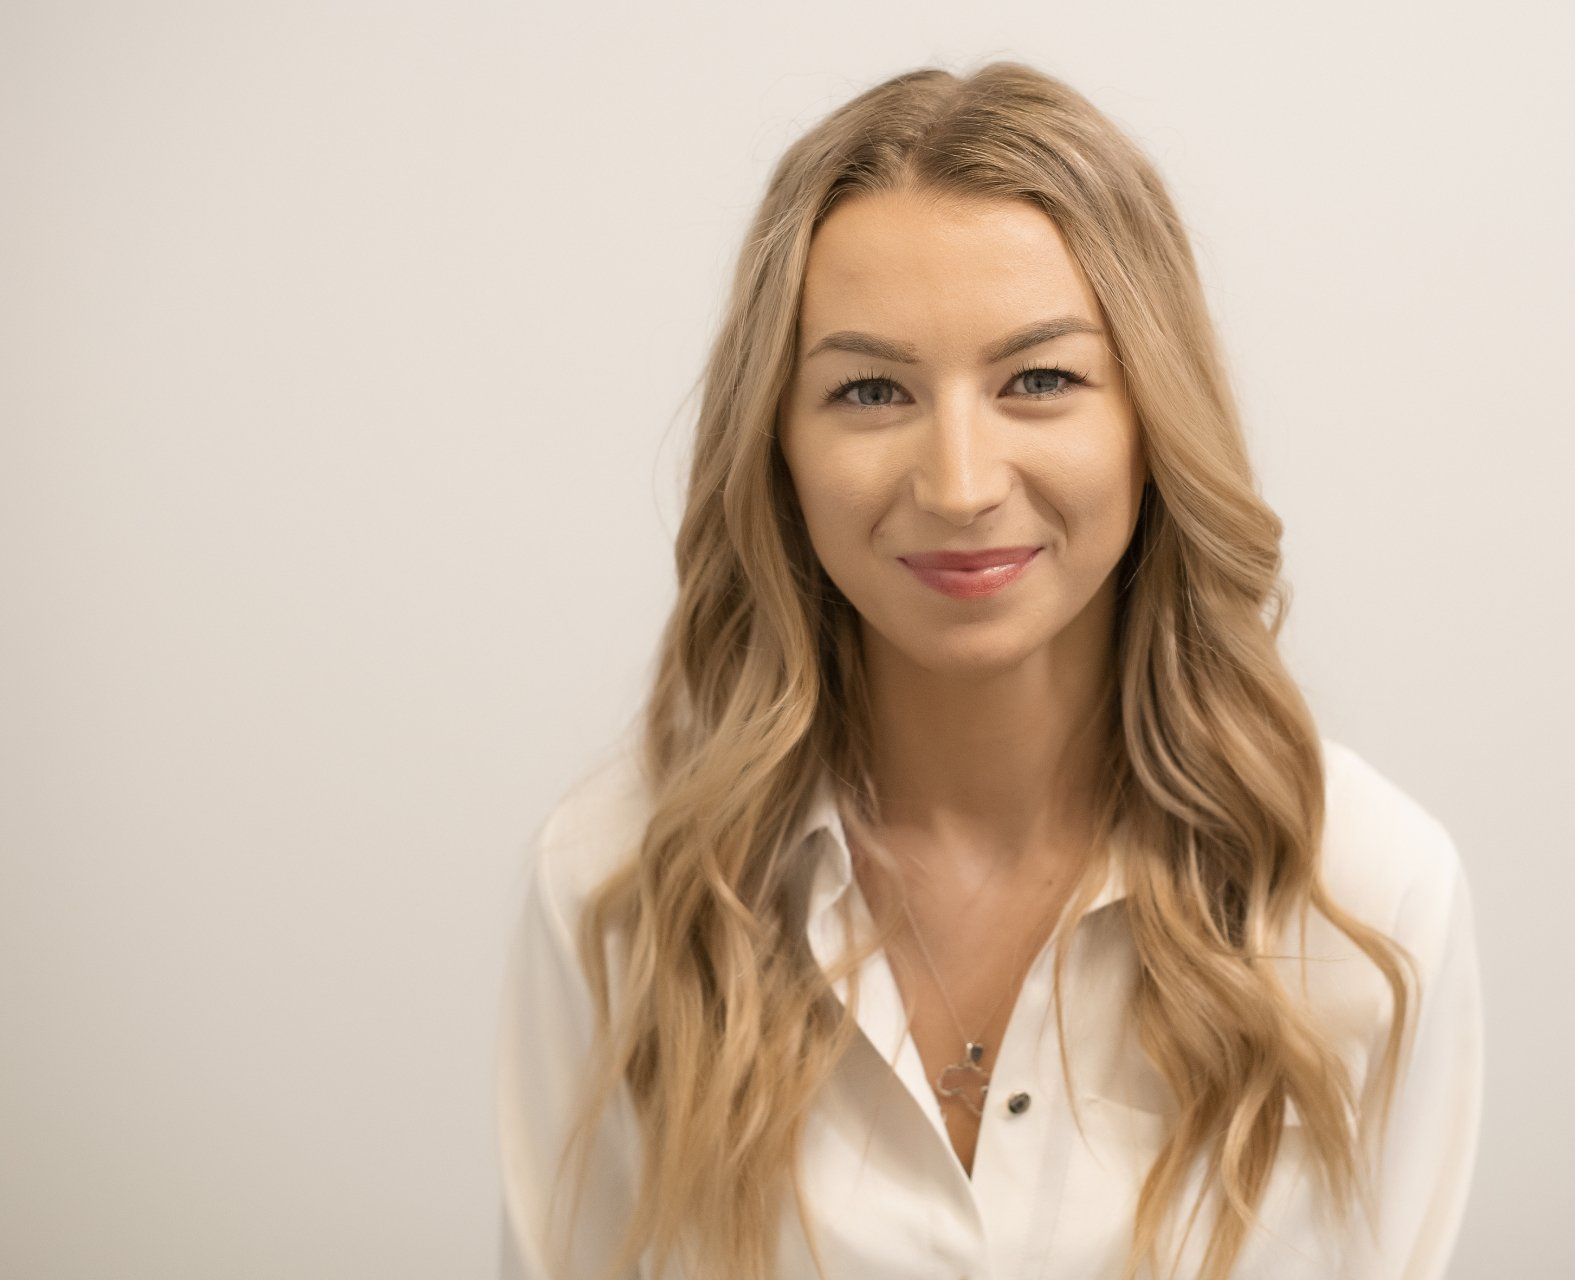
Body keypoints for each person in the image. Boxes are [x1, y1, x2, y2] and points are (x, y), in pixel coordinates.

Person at [495, 60, 1483, 1280]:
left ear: (1151, 420)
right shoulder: (616, 886)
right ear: (778, 448)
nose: (959, 483)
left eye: (1040, 380)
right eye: (869, 389)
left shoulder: (1367, 894)